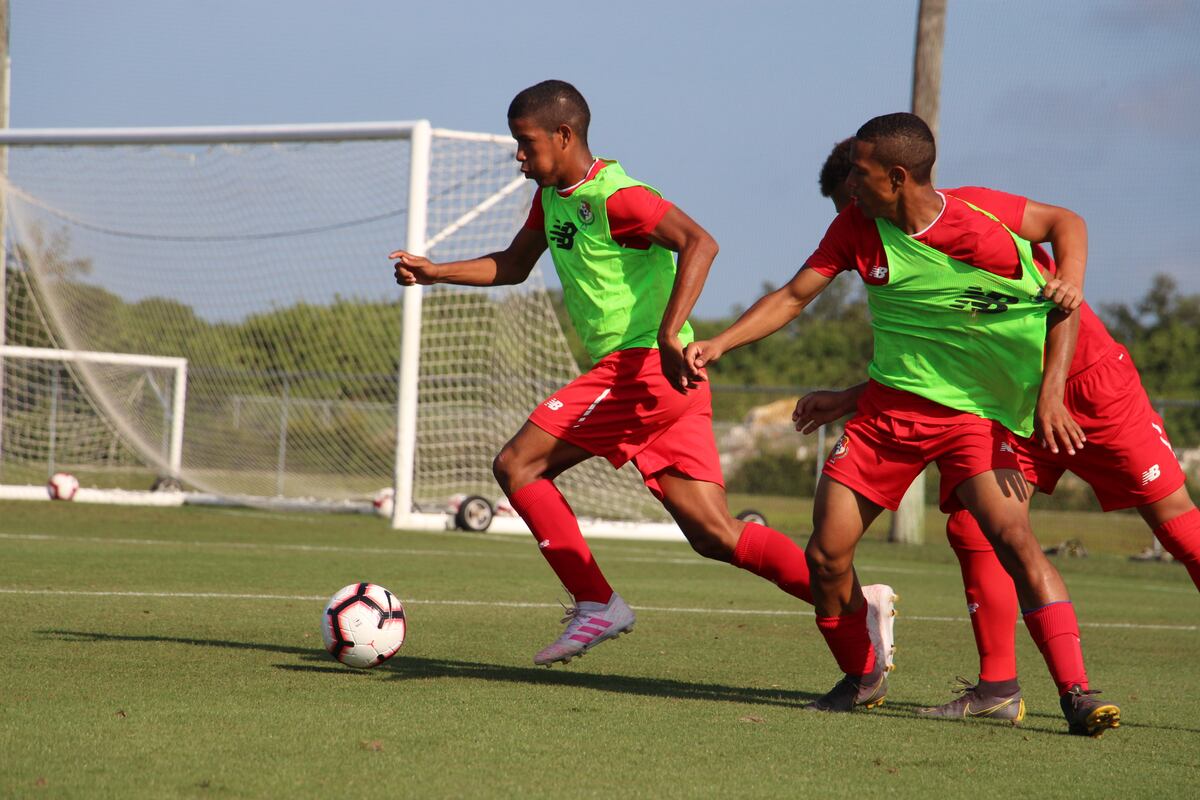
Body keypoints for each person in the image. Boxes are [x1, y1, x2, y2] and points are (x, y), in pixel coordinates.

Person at [390, 80, 897, 670]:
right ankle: (858, 604)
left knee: (517, 464)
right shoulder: (551, 198)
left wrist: (667, 331)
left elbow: (700, 243)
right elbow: (513, 264)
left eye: (526, 144)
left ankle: (595, 601)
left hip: (641, 368)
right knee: (713, 534)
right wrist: (435, 273)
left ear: (564, 134)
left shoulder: (618, 196)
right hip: (665, 382)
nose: (519, 157)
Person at [686, 112, 1121, 736]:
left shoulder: (985, 227)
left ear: (896, 177)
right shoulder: (854, 226)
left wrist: (1057, 357)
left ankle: (1076, 693)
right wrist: (722, 343)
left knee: (1014, 541)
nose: (849, 184)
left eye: (859, 173)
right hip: (886, 416)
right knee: (826, 554)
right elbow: (790, 297)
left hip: (973, 419)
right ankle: (862, 677)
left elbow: (1062, 267)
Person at [800, 141, 1200, 724]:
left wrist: (1072, 284)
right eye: (842, 208)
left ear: (893, 181)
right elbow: (937, 365)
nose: (850, 217)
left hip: (1091, 389)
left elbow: (1068, 225)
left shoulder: (977, 212)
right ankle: (998, 689)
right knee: (973, 526)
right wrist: (848, 396)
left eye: (851, 199)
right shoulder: (891, 251)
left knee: (1179, 530)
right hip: (1010, 404)